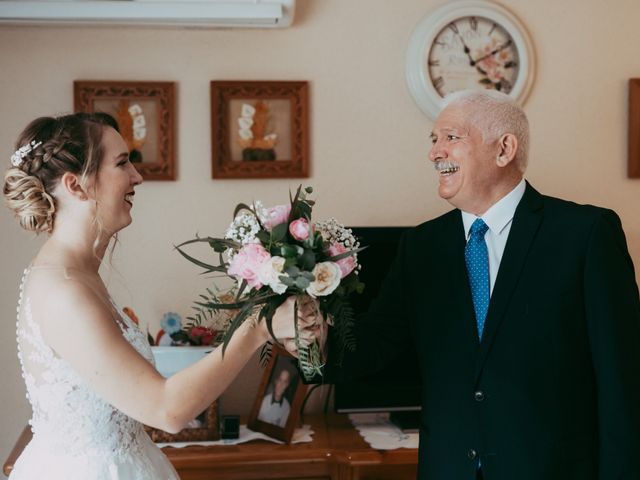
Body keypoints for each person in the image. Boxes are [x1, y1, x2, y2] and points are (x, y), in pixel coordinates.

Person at [318, 89, 640, 479]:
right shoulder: (421, 247)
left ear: (504, 149)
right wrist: (305, 333)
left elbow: (623, 385)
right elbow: (371, 347)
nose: (435, 153)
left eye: (451, 138)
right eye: (434, 140)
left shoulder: (586, 235)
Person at [3, 112, 300, 479]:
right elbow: (166, 410)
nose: (137, 177)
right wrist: (257, 328)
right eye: (122, 163)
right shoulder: (64, 291)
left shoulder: (78, 275)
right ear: (76, 185)